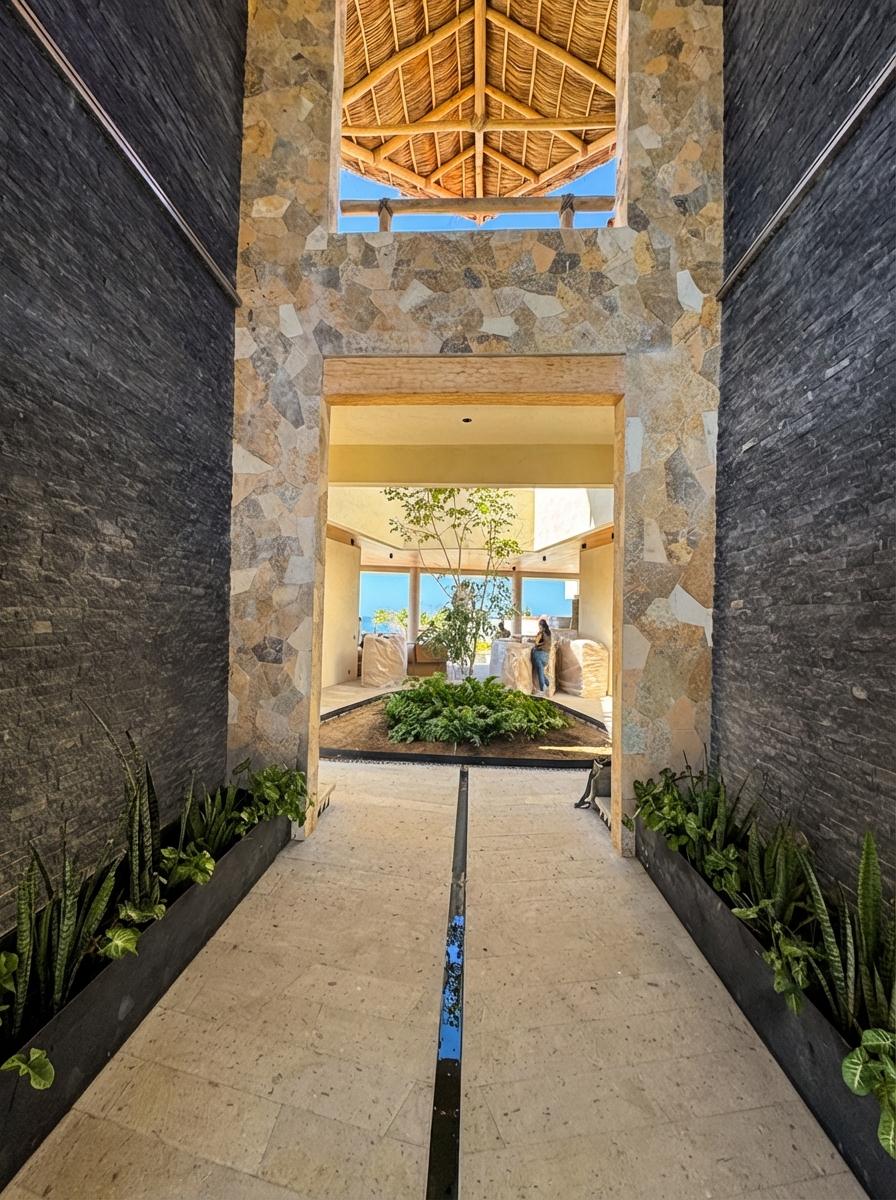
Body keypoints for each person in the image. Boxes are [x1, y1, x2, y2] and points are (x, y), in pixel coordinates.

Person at [531, 617, 551, 695]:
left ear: (540, 625)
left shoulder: (541, 633)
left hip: (539, 655)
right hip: (546, 655)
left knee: (540, 673)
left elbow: (537, 643)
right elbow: (547, 644)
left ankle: (542, 690)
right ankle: (549, 685)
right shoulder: (549, 633)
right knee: (541, 672)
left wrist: (533, 644)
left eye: (539, 626)